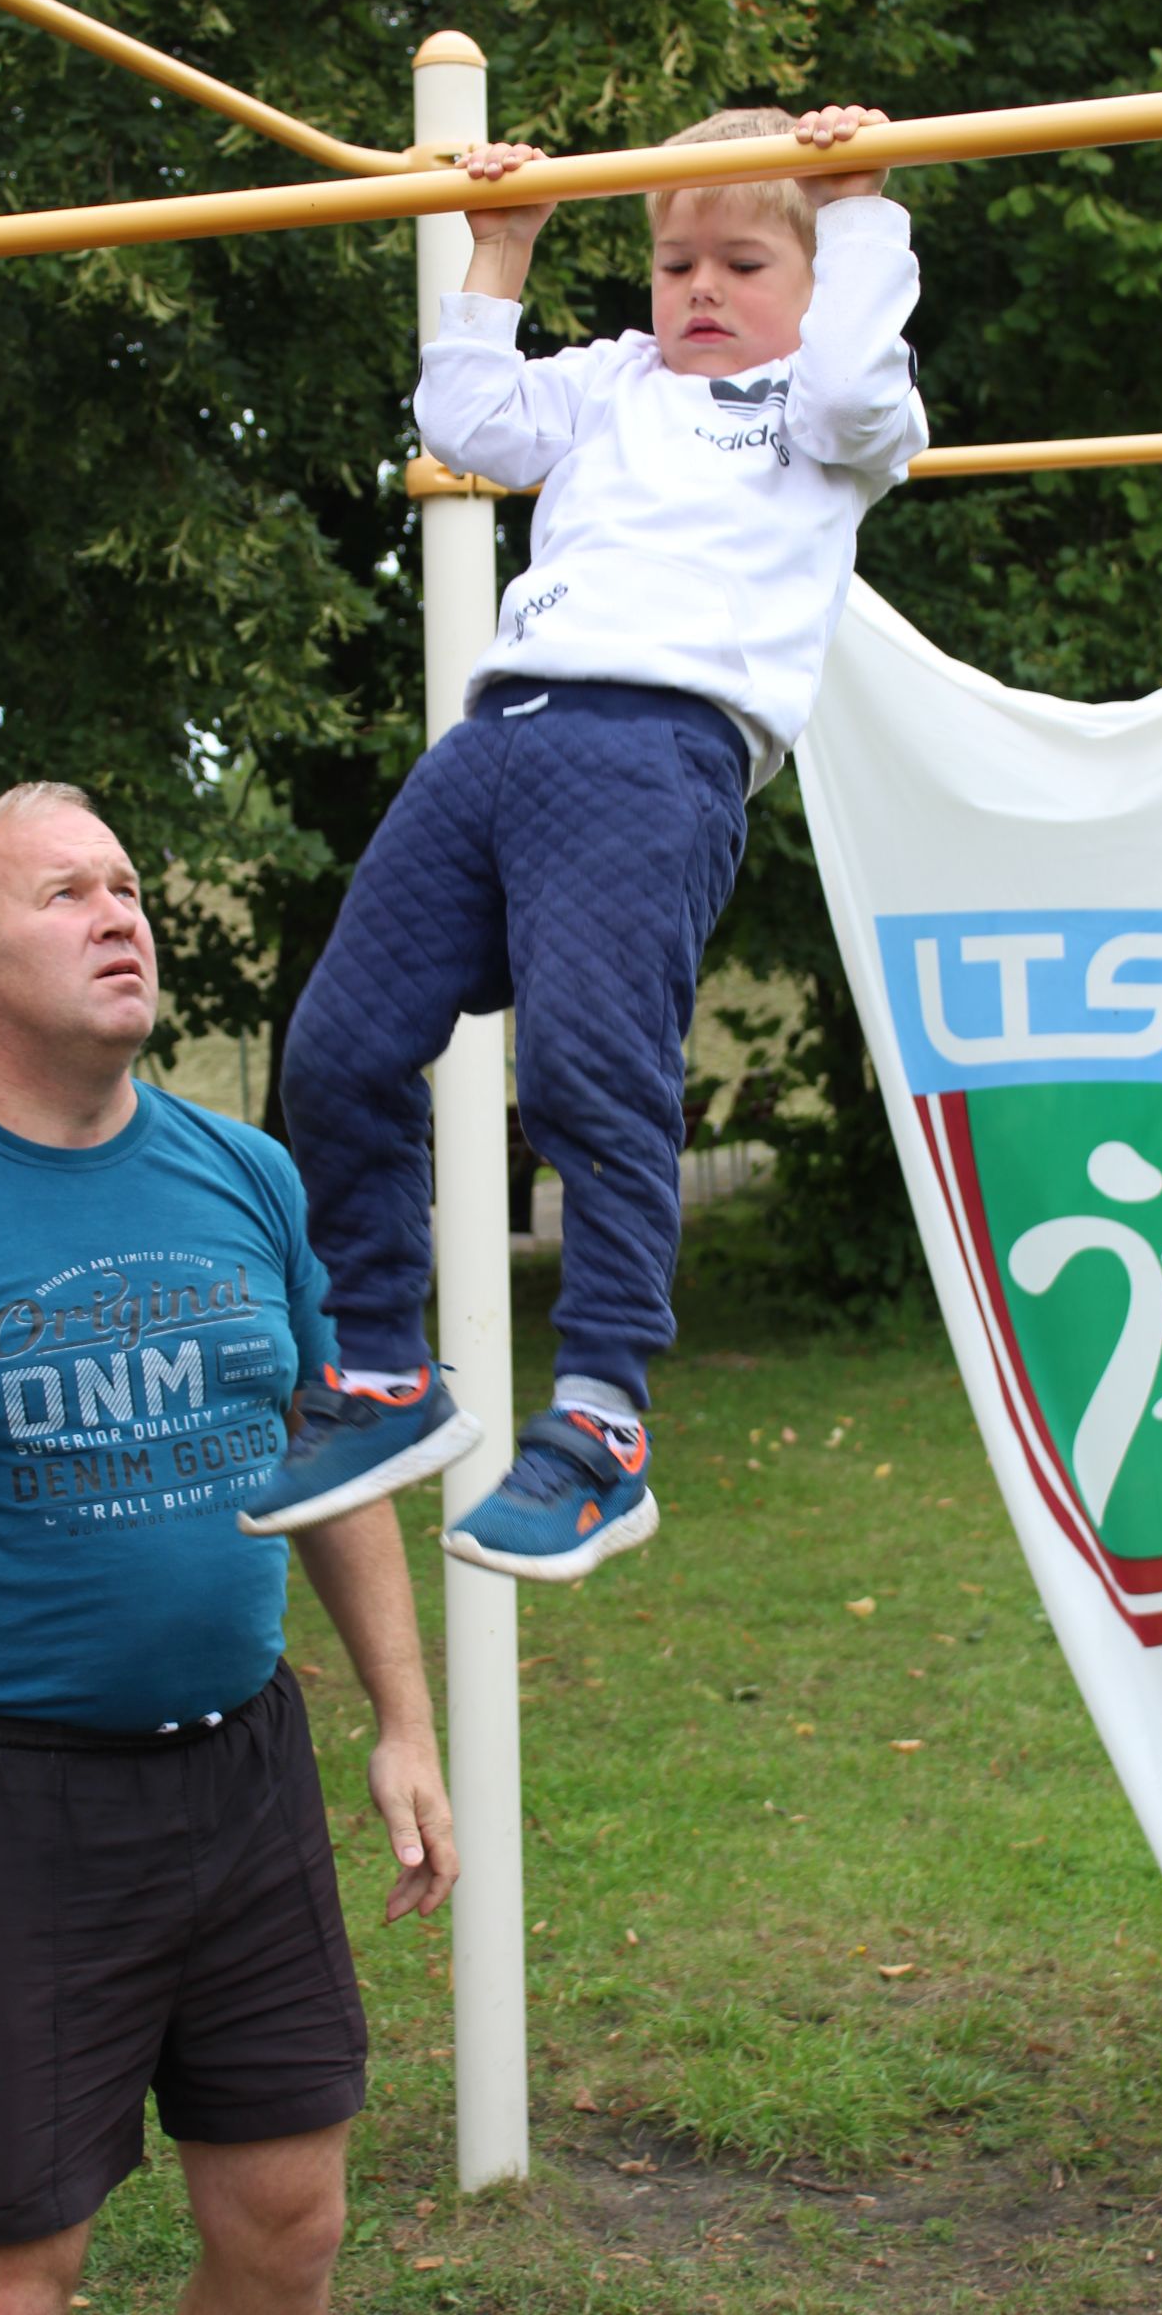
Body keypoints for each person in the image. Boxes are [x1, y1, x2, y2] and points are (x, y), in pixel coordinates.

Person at [0, 781, 457, 2315]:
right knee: (14, 2276)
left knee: (289, 2224)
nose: (120, 916)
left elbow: (333, 1452)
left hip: (244, 1770)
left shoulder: (248, 1175)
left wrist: (404, 1719)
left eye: (125, 887)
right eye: (65, 894)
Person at [243, 101, 927, 1582]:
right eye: (677, 263)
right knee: (341, 1044)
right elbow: (468, 424)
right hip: (501, 734)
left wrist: (860, 206)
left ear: (818, 287)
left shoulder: (828, 411)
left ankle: (602, 1425)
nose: (701, 290)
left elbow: (862, 385)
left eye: (744, 263)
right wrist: (498, 248)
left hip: (654, 751)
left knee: (584, 1077)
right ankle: (382, 1368)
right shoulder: (617, 382)